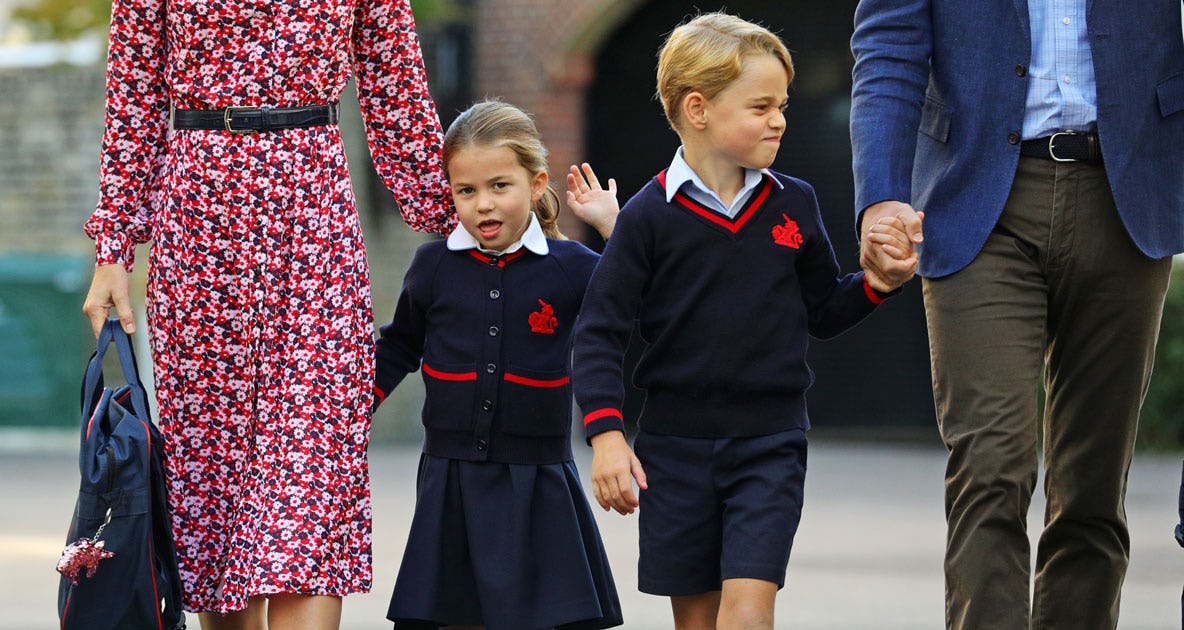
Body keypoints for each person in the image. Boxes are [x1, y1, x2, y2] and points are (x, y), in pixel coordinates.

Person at [79, 1, 455, 627]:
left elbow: (399, 92)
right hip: (200, 226)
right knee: (211, 497)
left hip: (314, 225)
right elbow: (135, 95)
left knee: (310, 483)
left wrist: (464, 229)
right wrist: (113, 246)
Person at [572, 12, 918, 630]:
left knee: (749, 612)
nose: (781, 119)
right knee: (699, 621)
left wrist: (876, 284)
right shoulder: (646, 219)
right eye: (761, 106)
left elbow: (823, 310)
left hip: (770, 444)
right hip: (674, 450)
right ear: (699, 109)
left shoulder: (797, 203)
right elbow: (599, 329)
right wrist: (606, 435)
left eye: (781, 104)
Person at [849, 2, 1184, 628]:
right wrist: (880, 195)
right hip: (975, 196)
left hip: (1129, 191)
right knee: (990, 469)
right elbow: (888, 48)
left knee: (1093, 486)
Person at [374, 100, 624, 630]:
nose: (483, 205)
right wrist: (342, 415)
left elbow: (640, 305)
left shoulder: (573, 268)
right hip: (451, 478)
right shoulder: (433, 265)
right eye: (466, 191)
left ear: (536, 185)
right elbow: (398, 347)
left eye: (499, 187)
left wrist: (613, 228)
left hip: (539, 479)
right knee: (456, 613)